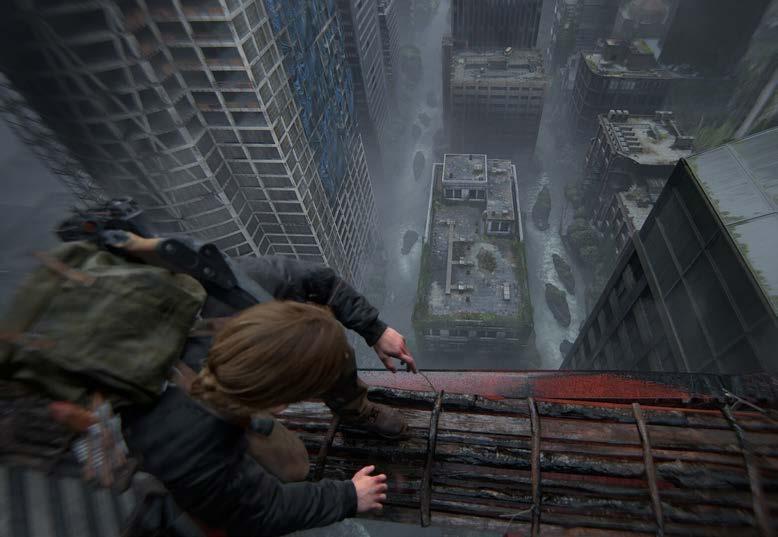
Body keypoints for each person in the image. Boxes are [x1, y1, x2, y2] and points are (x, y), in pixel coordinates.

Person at [120, 254, 418, 536]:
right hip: (176, 460)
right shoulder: (190, 442)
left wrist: (375, 330)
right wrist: (349, 497)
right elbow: (261, 511)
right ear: (275, 401)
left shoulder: (233, 290)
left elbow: (316, 278)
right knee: (287, 470)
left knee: (294, 458)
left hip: (206, 401)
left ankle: (355, 412)